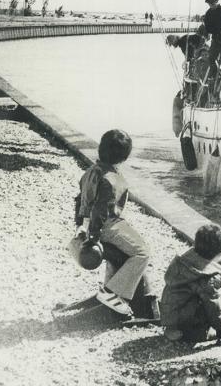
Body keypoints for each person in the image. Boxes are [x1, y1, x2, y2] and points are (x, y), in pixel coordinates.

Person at [74, 129, 159, 322]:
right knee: (142, 252)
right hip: (106, 225)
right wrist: (94, 237)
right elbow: (101, 210)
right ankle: (112, 293)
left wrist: (80, 225)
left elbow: (80, 200)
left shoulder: (90, 172)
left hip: (91, 225)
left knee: (129, 246)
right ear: (124, 157)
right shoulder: (110, 180)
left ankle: (110, 288)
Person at [160, 223, 221, 345]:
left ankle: (172, 329)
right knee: (206, 298)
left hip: (168, 315)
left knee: (183, 294)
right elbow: (213, 306)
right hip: (184, 321)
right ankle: (195, 334)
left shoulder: (181, 261)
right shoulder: (205, 278)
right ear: (219, 253)